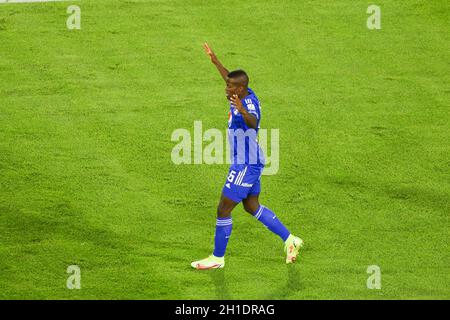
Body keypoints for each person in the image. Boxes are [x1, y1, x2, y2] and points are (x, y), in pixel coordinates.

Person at [191, 43, 303, 270]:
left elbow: (254, 122)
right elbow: (230, 79)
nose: (226, 88)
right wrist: (215, 61)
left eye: (230, 86)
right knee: (251, 206)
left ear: (240, 90)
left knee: (223, 208)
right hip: (250, 160)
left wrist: (242, 111)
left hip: (246, 163)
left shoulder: (248, 104)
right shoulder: (239, 92)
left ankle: (217, 258)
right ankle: (290, 240)